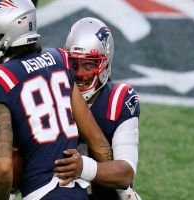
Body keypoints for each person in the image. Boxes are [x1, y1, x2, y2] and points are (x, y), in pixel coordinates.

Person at [0, 1, 112, 200]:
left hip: (41, 193)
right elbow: (100, 146)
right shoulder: (59, 59)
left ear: (4, 30)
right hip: (76, 192)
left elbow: (3, 167)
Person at [54, 17, 142, 200]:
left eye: (89, 64)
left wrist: (83, 167)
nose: (79, 73)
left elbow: (125, 172)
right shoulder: (54, 94)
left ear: (104, 63)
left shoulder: (119, 99)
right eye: (74, 64)